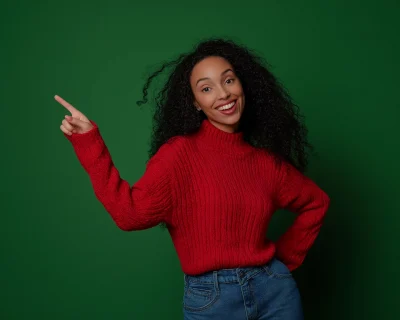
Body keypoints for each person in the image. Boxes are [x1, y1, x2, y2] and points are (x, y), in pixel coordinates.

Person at [55, 38, 330, 320]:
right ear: (195, 103)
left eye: (229, 81)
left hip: (276, 295)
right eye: (207, 88)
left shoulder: (267, 164)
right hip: (213, 300)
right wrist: (89, 142)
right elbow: (130, 215)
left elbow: (316, 202)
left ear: (243, 86)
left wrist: (281, 264)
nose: (223, 94)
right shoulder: (179, 155)